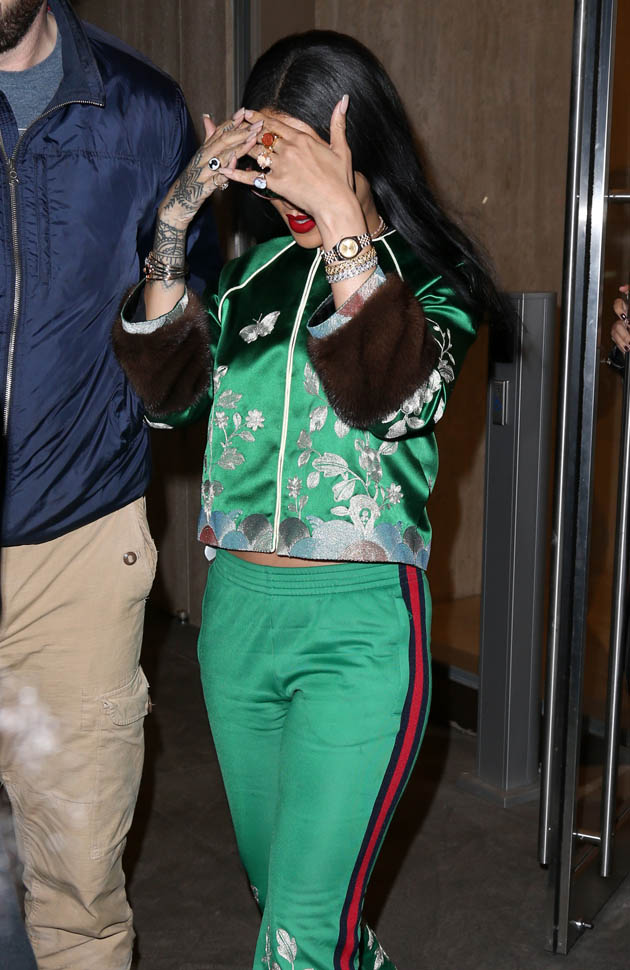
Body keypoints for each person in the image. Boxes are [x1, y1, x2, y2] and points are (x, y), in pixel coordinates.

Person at [114, 30, 512, 970]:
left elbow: (396, 397)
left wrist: (342, 223)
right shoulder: (249, 280)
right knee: (295, 910)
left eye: (303, 165)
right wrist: (173, 222)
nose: (283, 196)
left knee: (297, 937)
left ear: (359, 145)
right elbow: (168, 402)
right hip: (237, 627)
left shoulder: (431, 281)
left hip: (359, 631)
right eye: (268, 170)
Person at [0, 1, 220, 967]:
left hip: (76, 550)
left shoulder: (144, 111)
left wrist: (175, 244)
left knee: (77, 892)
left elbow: (180, 344)